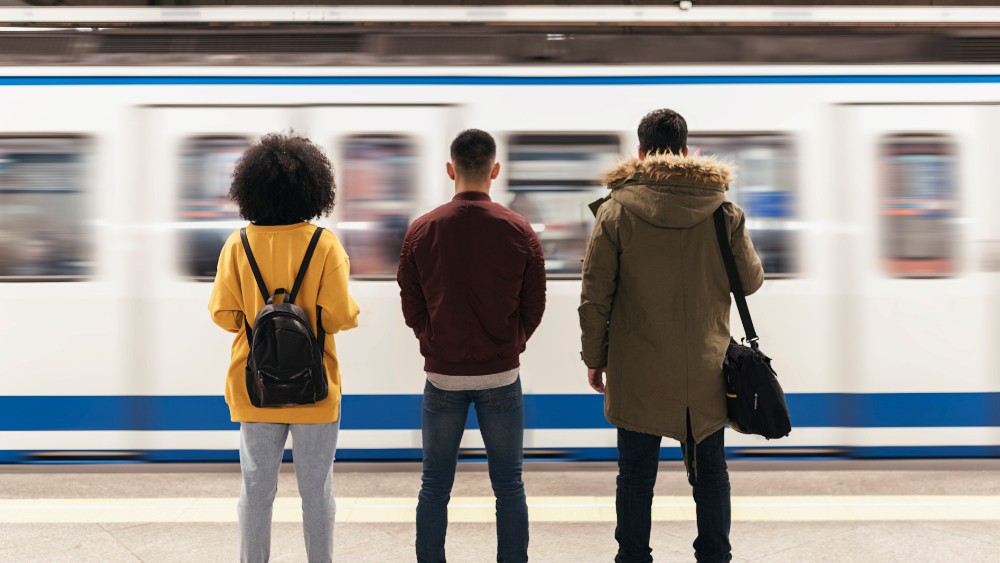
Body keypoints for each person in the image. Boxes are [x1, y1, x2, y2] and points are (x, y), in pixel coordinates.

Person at [579, 109, 764, 563]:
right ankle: (715, 555)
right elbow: (751, 281)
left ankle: (634, 557)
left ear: (640, 153)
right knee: (711, 476)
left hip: (638, 369)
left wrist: (594, 356)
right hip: (705, 369)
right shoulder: (723, 210)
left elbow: (594, 297)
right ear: (686, 152)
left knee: (635, 478)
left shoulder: (616, 211)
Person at [209, 133, 360, 563]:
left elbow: (222, 314)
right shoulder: (325, 244)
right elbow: (337, 317)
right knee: (318, 492)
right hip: (315, 389)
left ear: (251, 188)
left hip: (254, 387)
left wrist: (254, 319)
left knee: (256, 489)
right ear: (313, 187)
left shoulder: (237, 245)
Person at [397, 129, 546, 563]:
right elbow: (533, 305)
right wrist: (510, 343)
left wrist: (433, 340)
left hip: (441, 379)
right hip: (502, 377)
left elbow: (411, 304)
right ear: (494, 170)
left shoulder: (422, 230)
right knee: (509, 484)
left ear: (450, 170)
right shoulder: (519, 229)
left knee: (434, 484)